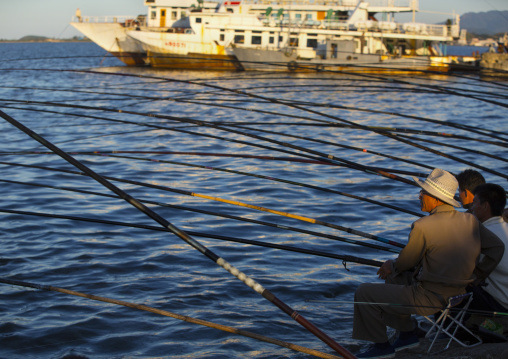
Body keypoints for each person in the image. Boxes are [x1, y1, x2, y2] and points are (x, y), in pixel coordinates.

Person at [352, 168, 504, 359]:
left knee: (364, 292)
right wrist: (478, 275)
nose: (419, 195)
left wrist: (392, 263)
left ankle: (381, 347)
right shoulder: (470, 220)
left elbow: (407, 261)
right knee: (395, 276)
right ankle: (407, 334)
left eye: (423, 192)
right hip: (460, 295)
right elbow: (497, 248)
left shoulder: (423, 226)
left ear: (435, 198)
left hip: (429, 299)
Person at [469, 183, 508, 313]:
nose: (472, 208)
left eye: (474, 203)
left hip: (500, 303)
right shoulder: (505, 228)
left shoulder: (481, 235)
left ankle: (448, 330)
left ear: (485, 206)